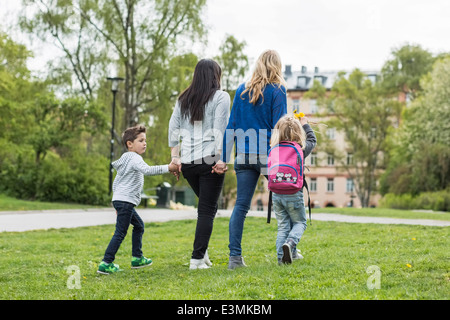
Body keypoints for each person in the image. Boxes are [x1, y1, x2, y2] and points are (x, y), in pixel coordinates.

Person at [212, 50, 288, 269]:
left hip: (243, 156)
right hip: (268, 155)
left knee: (241, 207)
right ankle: (289, 248)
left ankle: (235, 258)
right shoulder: (277, 90)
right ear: (276, 66)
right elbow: (279, 127)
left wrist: (223, 158)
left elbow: (232, 126)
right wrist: (285, 157)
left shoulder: (241, 90)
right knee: (286, 200)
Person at [168, 59, 230, 270]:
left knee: (206, 209)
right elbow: (221, 129)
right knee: (206, 210)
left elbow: (173, 127)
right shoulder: (221, 97)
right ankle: (196, 260)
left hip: (188, 163)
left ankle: (202, 254)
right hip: (210, 160)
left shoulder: (183, 99)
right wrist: (222, 159)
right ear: (215, 76)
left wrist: (175, 157)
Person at [98, 125, 179, 275]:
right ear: (130, 144)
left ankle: (137, 258)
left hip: (121, 200)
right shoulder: (135, 158)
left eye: (145, 140)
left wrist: (117, 201)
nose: (144, 143)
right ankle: (106, 262)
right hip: (126, 201)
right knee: (120, 232)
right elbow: (148, 170)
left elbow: (116, 182)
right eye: (141, 140)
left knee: (139, 226)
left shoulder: (125, 159)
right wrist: (168, 167)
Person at [269, 114, 317, 264]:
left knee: (283, 226)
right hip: (294, 193)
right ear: (298, 133)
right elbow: (312, 140)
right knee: (300, 223)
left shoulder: (273, 149)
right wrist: (305, 124)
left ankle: (281, 258)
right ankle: (290, 243)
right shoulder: (300, 149)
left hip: (276, 194)